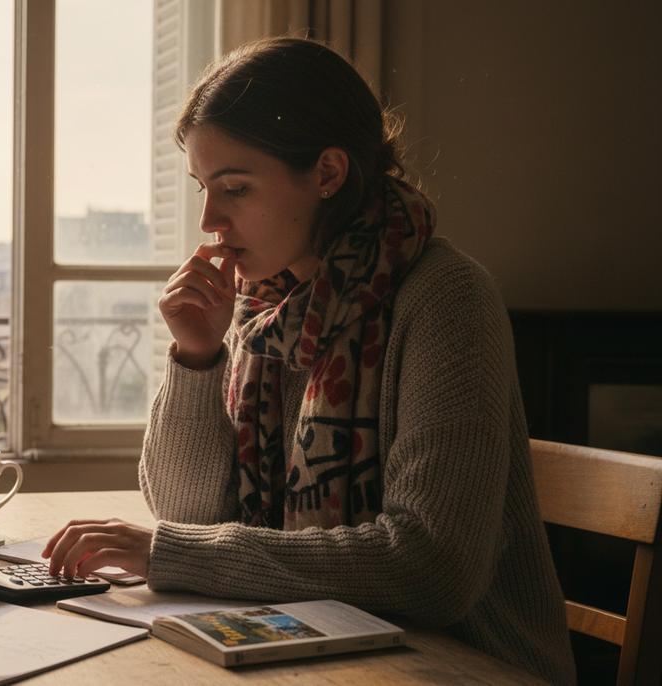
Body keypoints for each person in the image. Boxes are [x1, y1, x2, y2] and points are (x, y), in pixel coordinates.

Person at [42, 38, 575, 684]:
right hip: (313, 654)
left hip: (464, 665)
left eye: (234, 188)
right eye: (203, 189)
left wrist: (173, 554)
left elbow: (431, 567)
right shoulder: (264, 306)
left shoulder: (445, 301)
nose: (210, 221)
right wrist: (197, 356)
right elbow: (186, 515)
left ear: (327, 173)